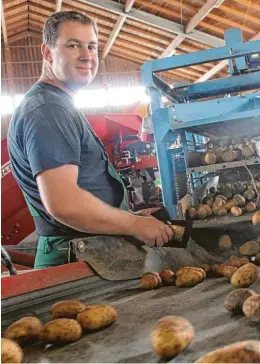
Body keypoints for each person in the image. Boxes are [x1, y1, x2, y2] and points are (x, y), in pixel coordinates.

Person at [7, 11, 173, 269]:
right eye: (73, 45)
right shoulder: (48, 110)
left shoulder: (57, 104)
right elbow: (65, 205)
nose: (87, 56)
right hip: (74, 260)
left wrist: (127, 217)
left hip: (91, 252)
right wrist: (134, 225)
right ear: (48, 53)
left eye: (92, 46)